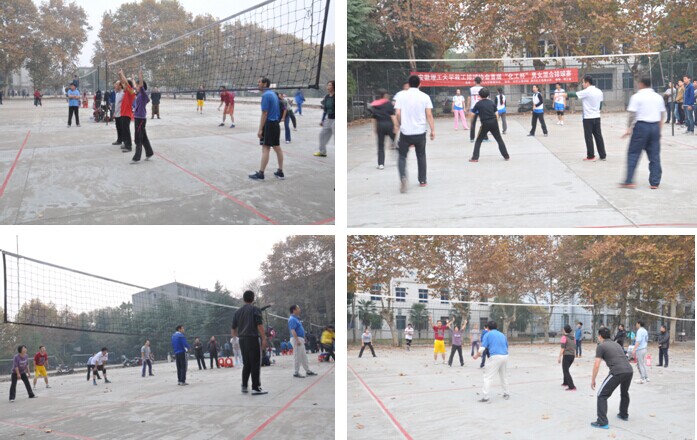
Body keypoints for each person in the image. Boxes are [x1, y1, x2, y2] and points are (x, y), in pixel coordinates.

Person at [620, 76, 665, 189]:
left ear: (641, 84)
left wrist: (629, 128)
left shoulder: (636, 97)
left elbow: (632, 114)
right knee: (654, 155)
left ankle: (629, 180)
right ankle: (655, 182)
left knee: (633, 153)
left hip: (641, 127)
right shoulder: (658, 97)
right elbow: (662, 115)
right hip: (655, 126)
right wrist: (659, 130)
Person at [395, 75, 435, 192]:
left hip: (406, 132)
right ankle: (422, 180)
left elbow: (398, 113)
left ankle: (403, 177)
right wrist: (432, 130)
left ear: (408, 84)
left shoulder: (401, 96)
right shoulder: (425, 96)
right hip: (420, 131)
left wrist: (401, 123)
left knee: (402, 156)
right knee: (421, 155)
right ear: (419, 84)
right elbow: (429, 114)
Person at [590, 327, 633, 429]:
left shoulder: (601, 346)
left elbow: (596, 364)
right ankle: (623, 414)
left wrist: (593, 379)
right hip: (629, 370)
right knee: (624, 392)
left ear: (600, 336)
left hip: (617, 371)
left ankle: (602, 422)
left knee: (601, 395)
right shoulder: (616, 344)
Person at [232, 290, 268, 395]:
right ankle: (256, 387)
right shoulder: (255, 309)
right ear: (253, 298)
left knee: (246, 363)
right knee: (255, 363)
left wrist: (235, 341)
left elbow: (233, 329)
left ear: (244, 299)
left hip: (242, 340)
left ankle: (244, 386)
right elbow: (259, 325)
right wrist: (264, 339)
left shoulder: (237, 312)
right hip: (252, 339)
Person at [249, 77, 284, 181]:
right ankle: (280, 172)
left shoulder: (266, 95)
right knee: (277, 148)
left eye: (259, 82)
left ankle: (261, 174)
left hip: (269, 124)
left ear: (265, 84)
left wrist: (260, 129)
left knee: (265, 148)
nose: (258, 84)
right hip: (275, 124)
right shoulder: (273, 94)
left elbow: (264, 113)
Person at [468, 87, 510, 162]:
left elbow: (472, 114)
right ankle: (506, 156)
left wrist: (471, 123)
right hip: (494, 122)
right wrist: (495, 122)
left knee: (478, 140)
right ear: (488, 95)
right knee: (499, 139)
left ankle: (475, 158)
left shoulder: (478, 104)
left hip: (485, 123)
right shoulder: (492, 103)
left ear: (479, 95)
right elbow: (496, 114)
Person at [472, 321, 509, 403]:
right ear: (496, 327)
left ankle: (486, 397)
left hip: (495, 356)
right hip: (505, 356)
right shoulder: (502, 335)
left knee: (488, 377)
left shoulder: (487, 334)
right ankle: (506, 393)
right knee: (503, 376)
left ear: (487, 328)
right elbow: (506, 346)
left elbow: (482, 347)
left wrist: (477, 355)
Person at [576, 75, 606, 161]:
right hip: (597, 116)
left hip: (588, 118)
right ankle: (603, 155)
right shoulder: (599, 91)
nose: (582, 84)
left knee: (588, 137)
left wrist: (563, 95)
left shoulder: (587, 91)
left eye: (583, 82)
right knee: (598, 136)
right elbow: (600, 104)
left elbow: (574, 94)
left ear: (587, 82)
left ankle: (591, 156)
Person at [127, 70, 154, 164]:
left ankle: (136, 158)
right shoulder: (139, 94)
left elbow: (141, 85)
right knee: (143, 137)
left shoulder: (143, 94)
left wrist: (140, 76)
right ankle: (149, 153)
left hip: (140, 119)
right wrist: (133, 79)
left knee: (138, 138)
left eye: (138, 86)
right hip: (138, 118)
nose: (136, 87)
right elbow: (135, 86)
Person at [369, 88, 398, 170]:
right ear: (385, 95)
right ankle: (399, 160)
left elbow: (374, 118)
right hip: (390, 125)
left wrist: (375, 128)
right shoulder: (389, 104)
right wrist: (396, 126)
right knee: (395, 143)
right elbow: (392, 116)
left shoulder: (374, 104)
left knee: (381, 145)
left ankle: (381, 164)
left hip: (380, 126)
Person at [288, 304, 318, 377]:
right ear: (294, 310)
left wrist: (304, 338)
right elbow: (293, 330)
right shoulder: (292, 319)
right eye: (298, 308)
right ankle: (296, 372)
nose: (299, 310)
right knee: (297, 356)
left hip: (300, 339)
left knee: (304, 356)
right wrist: (297, 340)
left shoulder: (296, 319)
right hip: (296, 339)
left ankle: (308, 371)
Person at [315, 80, 335, 157]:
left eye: (330, 85)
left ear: (334, 87)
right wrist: (322, 120)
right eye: (328, 85)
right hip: (329, 119)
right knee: (322, 135)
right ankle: (322, 152)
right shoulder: (326, 97)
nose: (328, 87)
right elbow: (325, 110)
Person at [117, 71, 136, 153]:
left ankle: (129, 146)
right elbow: (122, 82)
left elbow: (125, 82)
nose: (123, 86)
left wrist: (122, 74)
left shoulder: (130, 92)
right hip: (123, 114)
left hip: (127, 115)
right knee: (124, 130)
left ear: (128, 86)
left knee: (126, 130)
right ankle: (125, 143)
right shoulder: (126, 92)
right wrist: (120, 75)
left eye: (125, 85)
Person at [467, 76, 488, 142]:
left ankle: (472, 138)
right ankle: (485, 137)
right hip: (482, 107)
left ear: (475, 81)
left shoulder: (471, 89)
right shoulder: (483, 89)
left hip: (473, 108)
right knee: (484, 123)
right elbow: (486, 98)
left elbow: (469, 98)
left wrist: (467, 107)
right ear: (480, 82)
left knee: (473, 123)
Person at [558, 324, 576, 391]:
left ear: (565, 330)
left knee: (566, 370)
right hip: (572, 356)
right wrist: (574, 356)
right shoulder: (573, 338)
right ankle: (565, 382)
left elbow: (562, 348)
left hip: (567, 355)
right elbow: (574, 348)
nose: (562, 330)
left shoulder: (564, 337)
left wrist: (559, 357)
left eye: (563, 329)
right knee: (566, 369)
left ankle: (572, 386)